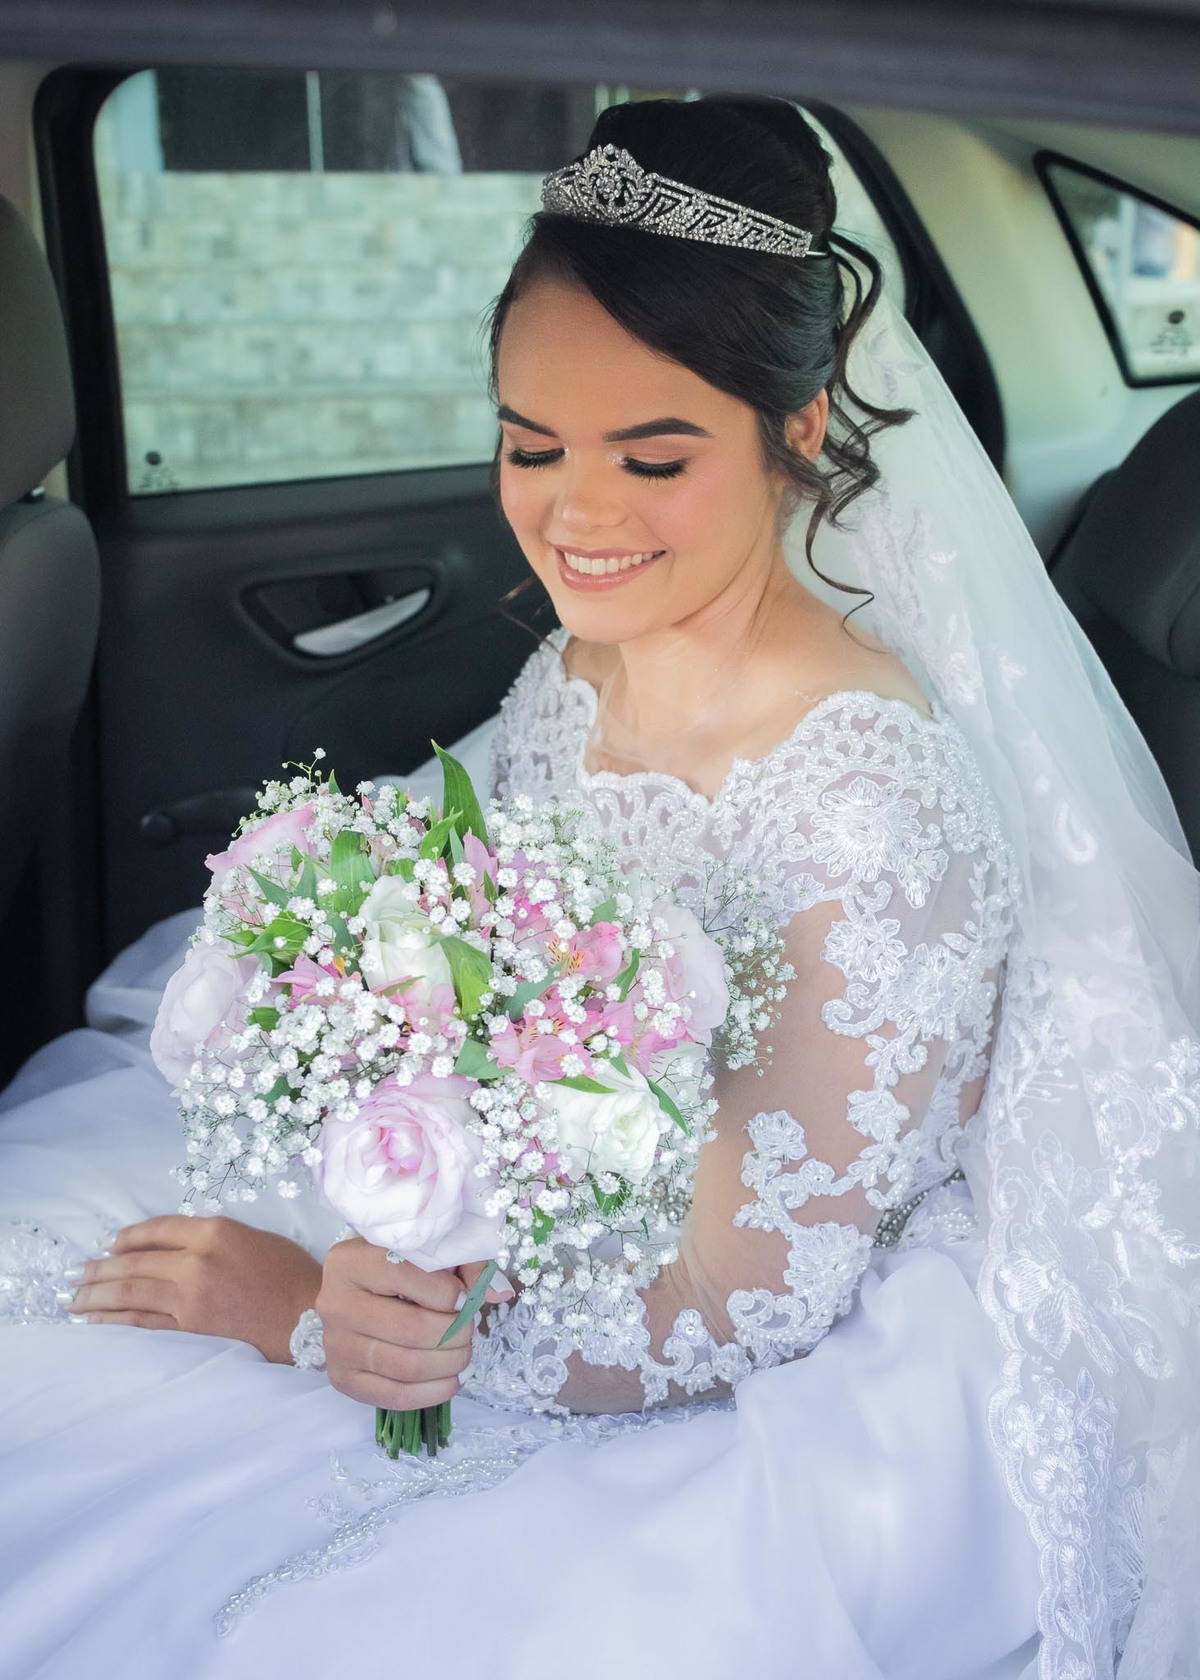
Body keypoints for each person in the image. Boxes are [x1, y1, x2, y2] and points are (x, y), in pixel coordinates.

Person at [0, 96, 1197, 1680]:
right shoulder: (589, 654)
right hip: (527, 1216)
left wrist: (318, 1316)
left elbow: (733, 1307)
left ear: (801, 428)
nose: (575, 512)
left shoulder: (873, 812)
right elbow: (481, 897)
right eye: (529, 442)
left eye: (654, 454)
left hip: (725, 1343)